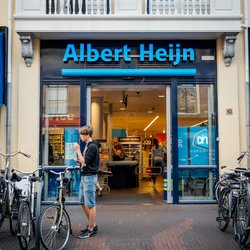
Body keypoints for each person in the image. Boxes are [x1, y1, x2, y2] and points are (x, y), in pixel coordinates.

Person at [74, 125, 100, 239]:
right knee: (82, 201)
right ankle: (92, 224)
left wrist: (78, 150)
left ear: (87, 135)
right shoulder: (89, 146)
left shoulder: (92, 146)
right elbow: (86, 162)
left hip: (89, 177)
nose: (80, 136)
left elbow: (85, 163)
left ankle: (91, 229)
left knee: (90, 204)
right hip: (85, 176)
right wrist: (79, 160)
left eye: (81, 134)